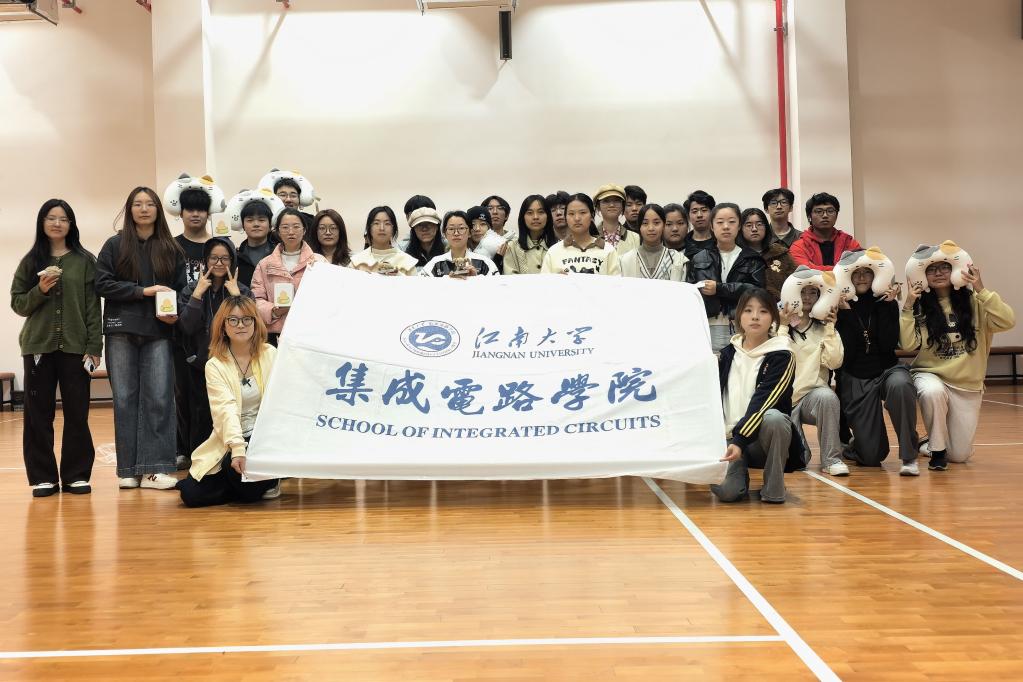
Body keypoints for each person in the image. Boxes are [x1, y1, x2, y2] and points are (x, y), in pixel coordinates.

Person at [95, 187, 186, 490]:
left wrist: (174, 313)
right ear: (129, 209)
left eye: (149, 204)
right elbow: (102, 284)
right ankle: (127, 470)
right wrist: (143, 291)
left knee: (159, 398)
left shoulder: (171, 248)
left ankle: (155, 470)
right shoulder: (114, 245)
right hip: (120, 330)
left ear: (158, 210)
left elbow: (180, 290)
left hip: (159, 332)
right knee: (124, 399)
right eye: (137, 204)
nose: (144, 209)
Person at [11, 199, 102, 497]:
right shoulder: (30, 261)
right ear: (42, 223)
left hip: (77, 348)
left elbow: (93, 307)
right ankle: (43, 477)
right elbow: (18, 304)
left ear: (71, 224)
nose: (57, 223)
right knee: (38, 415)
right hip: (38, 347)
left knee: (77, 413)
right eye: (51, 218)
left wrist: (94, 346)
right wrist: (40, 290)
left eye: (63, 219)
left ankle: (76, 475)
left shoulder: (85, 261)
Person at [901, 262, 1015, 470]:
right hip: (930, 374)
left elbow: (1008, 321)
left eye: (944, 267)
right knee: (932, 392)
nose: (938, 273)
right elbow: (907, 344)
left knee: (959, 456)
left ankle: (928, 443)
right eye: (931, 269)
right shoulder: (920, 306)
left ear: (954, 270)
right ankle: (937, 452)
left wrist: (981, 289)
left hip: (967, 385)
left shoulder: (977, 302)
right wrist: (908, 305)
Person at [178, 296, 280, 507]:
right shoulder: (215, 365)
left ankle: (262, 480)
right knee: (190, 495)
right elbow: (225, 410)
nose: (240, 325)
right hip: (230, 439)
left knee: (241, 482)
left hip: (263, 439)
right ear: (223, 326)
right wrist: (238, 448)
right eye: (233, 320)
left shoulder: (270, 354)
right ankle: (245, 483)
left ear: (255, 323)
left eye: (247, 319)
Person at [712, 288, 806, 503]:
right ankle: (738, 475)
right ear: (739, 316)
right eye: (748, 310)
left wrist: (740, 440)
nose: (755, 316)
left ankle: (774, 488)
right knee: (728, 493)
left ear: (773, 318)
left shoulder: (782, 355)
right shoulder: (727, 354)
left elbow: (763, 402)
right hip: (729, 438)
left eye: (763, 311)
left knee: (774, 418)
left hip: (757, 441)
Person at [834, 267, 919, 474]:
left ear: (875, 276)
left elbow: (888, 344)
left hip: (887, 369)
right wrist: (846, 313)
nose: (861, 277)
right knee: (871, 456)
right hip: (856, 374)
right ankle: (857, 445)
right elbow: (847, 354)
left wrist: (887, 306)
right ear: (848, 277)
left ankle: (909, 457)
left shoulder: (887, 302)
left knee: (901, 385)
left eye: (867, 272)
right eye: (856, 273)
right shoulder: (838, 306)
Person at [177, 237, 249, 457]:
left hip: (234, 363)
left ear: (232, 261)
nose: (219, 263)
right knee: (200, 415)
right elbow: (186, 326)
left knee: (231, 411)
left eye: (225, 258)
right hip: (200, 364)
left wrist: (236, 296)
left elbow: (250, 325)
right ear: (205, 261)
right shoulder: (191, 289)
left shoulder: (242, 290)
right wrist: (197, 294)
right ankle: (200, 460)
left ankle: (231, 456)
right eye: (214, 258)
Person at [779, 287, 847, 476]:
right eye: (802, 292)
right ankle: (800, 452)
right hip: (784, 400)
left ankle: (832, 460)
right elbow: (780, 358)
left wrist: (830, 328)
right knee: (799, 460)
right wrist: (783, 326)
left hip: (812, 397)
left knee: (828, 397)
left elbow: (834, 362)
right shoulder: (778, 326)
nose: (807, 297)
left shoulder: (825, 327)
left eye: (813, 293)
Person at [686, 203, 765, 353]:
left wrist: (719, 288)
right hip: (707, 325)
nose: (726, 227)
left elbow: (757, 291)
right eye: (720, 222)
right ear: (712, 226)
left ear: (739, 225)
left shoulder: (752, 258)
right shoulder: (698, 258)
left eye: (732, 222)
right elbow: (690, 293)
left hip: (742, 325)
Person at [171, 187, 212, 470]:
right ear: (181, 213)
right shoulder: (171, 247)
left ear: (208, 213)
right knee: (182, 393)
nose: (195, 214)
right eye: (190, 209)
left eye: (201, 209)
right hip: (179, 330)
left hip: (211, 332)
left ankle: (210, 448)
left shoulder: (219, 245)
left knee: (210, 394)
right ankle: (182, 449)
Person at [250, 209, 322, 345]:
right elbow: (256, 299)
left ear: (304, 230)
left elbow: (327, 298)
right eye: (285, 227)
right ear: (278, 231)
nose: (291, 232)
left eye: (296, 227)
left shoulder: (319, 262)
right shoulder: (265, 264)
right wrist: (274, 311)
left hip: (309, 334)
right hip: (274, 336)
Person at [541, 193, 621, 275]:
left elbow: (616, 282)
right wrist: (557, 279)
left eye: (582, 212)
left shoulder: (608, 250)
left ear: (592, 215)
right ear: (566, 217)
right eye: (571, 214)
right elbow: (544, 282)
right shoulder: (554, 252)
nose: (577, 218)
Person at [789, 193, 861, 270]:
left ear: (836, 215)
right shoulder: (799, 246)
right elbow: (805, 271)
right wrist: (842, 269)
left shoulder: (849, 242)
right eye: (819, 211)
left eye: (830, 211)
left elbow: (857, 267)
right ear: (809, 216)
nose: (825, 215)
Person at [738, 207, 797, 301]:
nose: (754, 229)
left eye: (759, 224)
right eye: (748, 225)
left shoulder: (781, 253)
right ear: (740, 228)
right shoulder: (736, 255)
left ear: (766, 227)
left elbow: (795, 283)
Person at [421, 211, 500, 277]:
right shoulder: (435, 263)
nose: (456, 233)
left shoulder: (484, 263)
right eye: (451, 229)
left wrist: (474, 279)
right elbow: (420, 286)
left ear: (470, 233)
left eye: (461, 228)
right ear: (445, 234)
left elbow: (497, 287)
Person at [620, 204, 686, 281]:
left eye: (656, 223)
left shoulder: (678, 260)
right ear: (639, 227)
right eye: (645, 223)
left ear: (664, 225)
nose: (651, 228)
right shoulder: (625, 260)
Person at [351, 206, 419, 276]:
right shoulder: (356, 261)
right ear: (369, 228)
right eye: (376, 223)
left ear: (394, 229)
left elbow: (415, 283)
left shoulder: (407, 261)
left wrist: (399, 276)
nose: (382, 228)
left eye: (387, 223)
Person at [504, 195, 557, 275]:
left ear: (548, 216)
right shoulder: (512, 247)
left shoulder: (558, 246)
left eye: (541, 212)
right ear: (523, 217)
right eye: (530, 213)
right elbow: (510, 279)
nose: (535, 217)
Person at [236, 200, 280, 289]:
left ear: (270, 225)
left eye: (261, 220)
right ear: (243, 225)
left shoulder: (279, 253)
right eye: (250, 220)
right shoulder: (235, 257)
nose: (256, 224)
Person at [594, 184, 640, 257]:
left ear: (622, 206)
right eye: (606, 201)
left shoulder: (635, 238)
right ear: (598, 206)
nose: (612, 205)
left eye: (616, 201)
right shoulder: (591, 237)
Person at [404, 207, 446, 272]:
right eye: (419, 225)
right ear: (414, 229)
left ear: (437, 227)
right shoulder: (404, 252)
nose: (424, 229)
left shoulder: (448, 248)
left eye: (429, 223)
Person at [466, 205, 508, 270]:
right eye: (473, 224)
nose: (477, 229)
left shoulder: (501, 248)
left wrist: (498, 260)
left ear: (489, 228)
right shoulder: (460, 249)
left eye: (482, 224)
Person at [682, 190, 716, 259]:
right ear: (688, 216)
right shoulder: (682, 243)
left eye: (704, 210)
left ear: (712, 213)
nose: (699, 215)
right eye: (694, 211)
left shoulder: (720, 241)